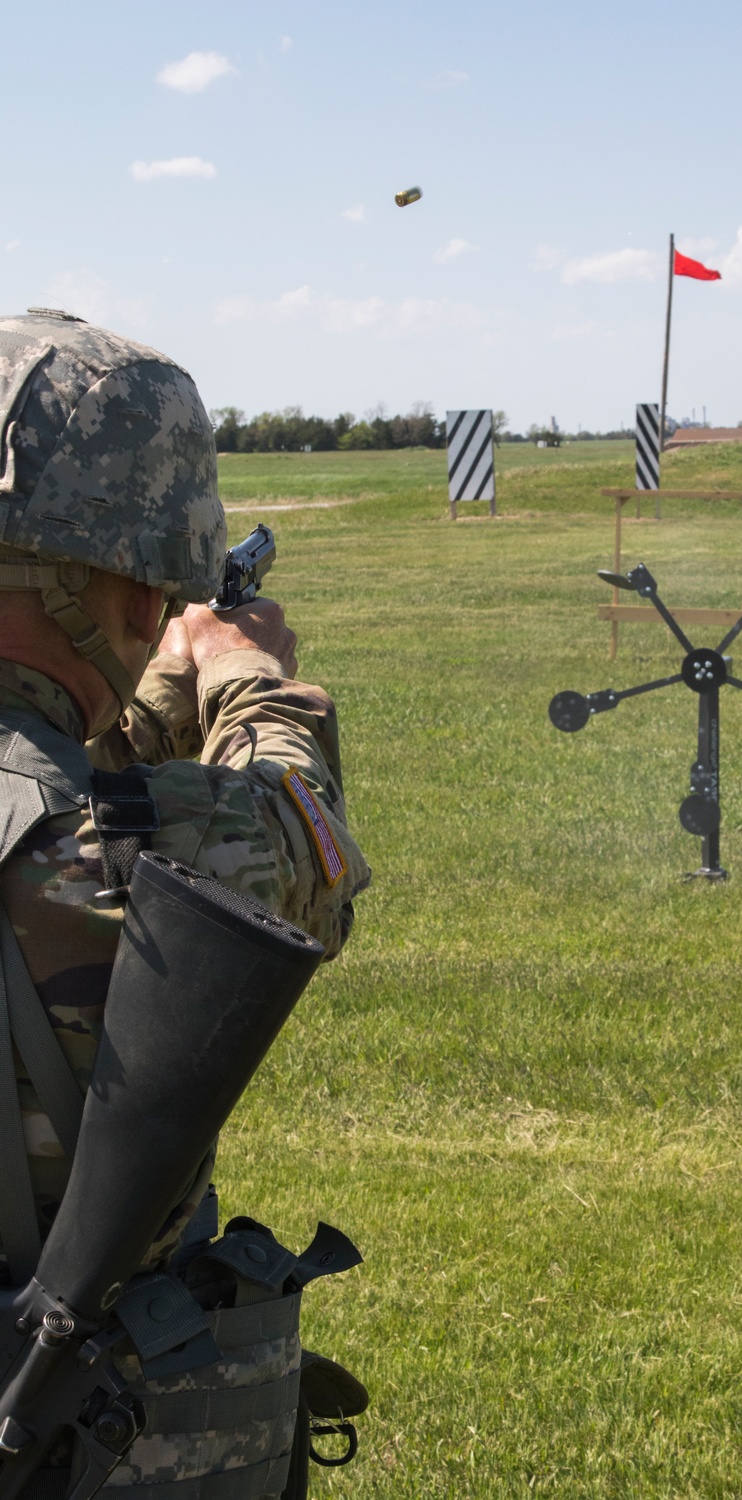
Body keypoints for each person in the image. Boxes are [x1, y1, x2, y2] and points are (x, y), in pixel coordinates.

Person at [0, 307, 371, 1495]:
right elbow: (302, 856)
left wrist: (143, 690)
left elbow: (57, 770)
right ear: (106, 579)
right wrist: (250, 678)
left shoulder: (74, 823)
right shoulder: (114, 850)